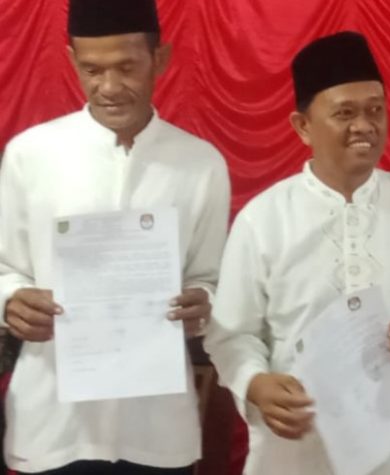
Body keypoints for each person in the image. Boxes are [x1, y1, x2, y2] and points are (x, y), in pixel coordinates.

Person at [204, 31, 390, 474]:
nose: (364, 125)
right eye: (345, 113)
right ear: (303, 126)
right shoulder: (263, 218)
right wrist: (255, 383)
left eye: (375, 110)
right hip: (296, 448)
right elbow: (231, 333)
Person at [0, 0, 230, 473]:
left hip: (156, 425)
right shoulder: (30, 155)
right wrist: (11, 301)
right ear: (72, 61)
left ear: (159, 59)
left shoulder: (201, 164)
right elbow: (6, 269)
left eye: (127, 67)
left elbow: (211, 278)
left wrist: (203, 302)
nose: (109, 87)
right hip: (55, 422)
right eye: (92, 69)